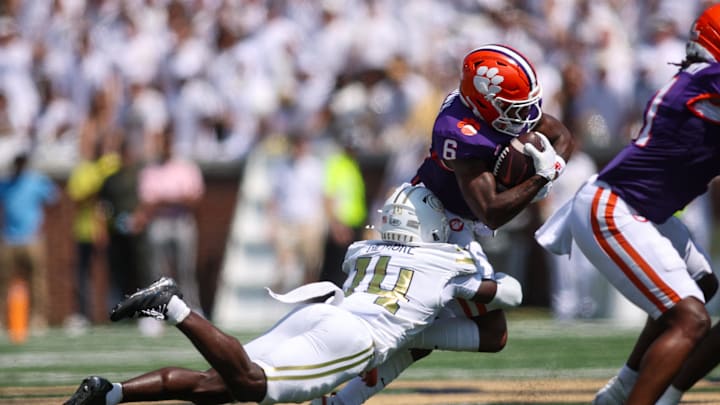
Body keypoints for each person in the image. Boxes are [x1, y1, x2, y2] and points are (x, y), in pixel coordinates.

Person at [63, 184, 523, 405]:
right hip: (353, 335)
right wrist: (477, 278)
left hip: (322, 311)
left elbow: (419, 337)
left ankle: (109, 393)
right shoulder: (447, 265)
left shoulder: (363, 250)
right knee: (250, 385)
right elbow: (513, 294)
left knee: (216, 384)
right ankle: (173, 304)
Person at [317, 44, 574, 404]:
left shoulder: (497, 108)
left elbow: (561, 135)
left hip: (457, 221)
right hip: (430, 222)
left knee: (489, 335)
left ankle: (351, 390)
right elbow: (491, 211)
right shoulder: (459, 128)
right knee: (491, 327)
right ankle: (373, 344)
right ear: (485, 101)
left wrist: (551, 165)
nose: (527, 116)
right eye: (514, 108)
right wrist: (539, 180)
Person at [535, 4, 720, 404]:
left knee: (703, 285)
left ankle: (625, 390)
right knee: (690, 320)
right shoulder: (707, 79)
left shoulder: (702, 81)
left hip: (642, 211)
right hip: (614, 207)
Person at [139, 126, 205, 313]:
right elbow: (149, 202)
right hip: (159, 222)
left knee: (186, 269)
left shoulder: (186, 167)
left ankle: (192, 309)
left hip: (182, 222)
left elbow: (194, 200)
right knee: (157, 271)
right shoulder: (150, 170)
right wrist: (177, 198)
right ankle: (156, 312)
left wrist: (165, 199)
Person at [0, 150, 59, 333]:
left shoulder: (36, 182)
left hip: (32, 238)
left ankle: (38, 319)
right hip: (9, 238)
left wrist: (43, 224)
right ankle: (3, 320)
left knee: (37, 280)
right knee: (3, 280)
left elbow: (54, 199)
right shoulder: (5, 184)